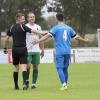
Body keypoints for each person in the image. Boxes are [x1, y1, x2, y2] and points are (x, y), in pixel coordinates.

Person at [32, 13, 89, 91]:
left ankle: (64, 84)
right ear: (63, 18)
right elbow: (77, 37)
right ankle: (65, 84)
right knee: (65, 69)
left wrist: (38, 40)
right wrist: (85, 40)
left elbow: (47, 36)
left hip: (59, 51)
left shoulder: (56, 28)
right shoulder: (69, 28)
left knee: (59, 68)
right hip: (67, 51)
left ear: (57, 19)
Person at [4, 13, 47, 90]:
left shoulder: (12, 27)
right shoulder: (23, 26)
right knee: (24, 67)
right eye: (23, 19)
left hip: (15, 49)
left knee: (16, 68)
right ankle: (25, 81)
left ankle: (16, 86)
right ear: (18, 19)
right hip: (23, 49)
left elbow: (6, 38)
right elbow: (32, 30)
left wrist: (5, 48)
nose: (24, 20)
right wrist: (42, 32)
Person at [26, 12, 44, 89]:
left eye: (33, 17)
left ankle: (33, 84)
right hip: (27, 50)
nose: (32, 18)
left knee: (35, 67)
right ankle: (26, 81)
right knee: (28, 66)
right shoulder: (25, 26)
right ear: (27, 18)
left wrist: (42, 49)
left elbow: (41, 39)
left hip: (36, 50)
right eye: (30, 17)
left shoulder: (38, 27)